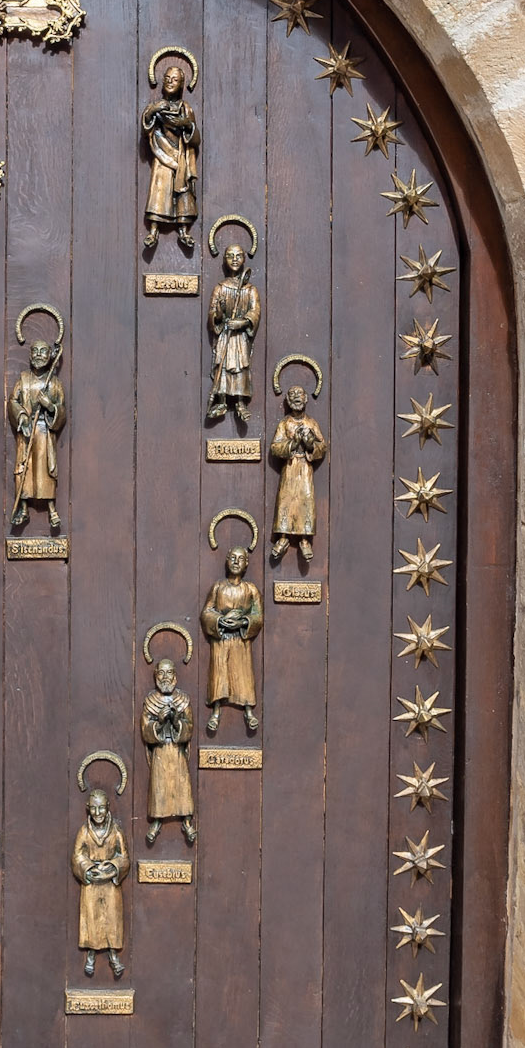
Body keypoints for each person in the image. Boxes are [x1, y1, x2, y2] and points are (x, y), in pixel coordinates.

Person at [201, 546, 263, 734]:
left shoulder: (250, 589)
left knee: (243, 675)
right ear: (227, 560)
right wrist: (220, 620)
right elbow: (206, 612)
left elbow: (258, 616)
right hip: (221, 640)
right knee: (220, 675)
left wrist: (243, 621)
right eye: (232, 558)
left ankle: (248, 710)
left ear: (246, 564)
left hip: (240, 641)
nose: (236, 562)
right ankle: (216, 711)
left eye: (240, 559)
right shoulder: (218, 587)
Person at [8, 340, 66, 534]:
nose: (39, 355)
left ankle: (51, 509)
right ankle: (23, 508)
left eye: (43, 351)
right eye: (36, 351)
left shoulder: (54, 383)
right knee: (24, 467)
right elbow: (13, 401)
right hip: (26, 431)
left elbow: (62, 409)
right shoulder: (23, 379)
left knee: (44, 470)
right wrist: (22, 416)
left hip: (44, 430)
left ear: (50, 356)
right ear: (30, 355)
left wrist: (49, 406)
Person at [141, 61, 199, 250]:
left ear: (182, 84)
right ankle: (154, 230)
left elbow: (194, 135)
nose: (170, 82)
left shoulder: (185, 107)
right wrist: (152, 111)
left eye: (175, 80)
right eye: (167, 79)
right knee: (160, 191)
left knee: (183, 194)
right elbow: (147, 123)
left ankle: (183, 230)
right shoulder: (157, 106)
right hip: (163, 154)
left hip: (180, 155)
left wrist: (187, 125)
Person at [73, 787, 129, 978]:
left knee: (111, 921)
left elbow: (123, 857)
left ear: (108, 808)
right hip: (91, 883)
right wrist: (88, 869)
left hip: (110, 884)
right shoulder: (84, 832)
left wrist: (113, 867)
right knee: (91, 920)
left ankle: (114, 956)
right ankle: (90, 955)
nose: (98, 813)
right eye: (94, 809)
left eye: (101, 808)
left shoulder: (115, 831)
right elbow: (78, 855)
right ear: (88, 808)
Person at [141, 658, 196, 846]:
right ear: (155, 675)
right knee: (159, 787)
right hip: (161, 751)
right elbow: (145, 729)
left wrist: (175, 721)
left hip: (177, 751)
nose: (165, 677)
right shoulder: (150, 702)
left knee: (182, 786)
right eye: (161, 673)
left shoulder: (183, 700)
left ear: (175, 676)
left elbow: (189, 727)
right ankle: (156, 821)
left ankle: (186, 821)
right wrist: (159, 722)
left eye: (169, 673)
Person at [270, 384, 328, 562]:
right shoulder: (285, 423)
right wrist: (293, 442)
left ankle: (304, 539)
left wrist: (310, 444)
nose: (296, 397)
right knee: (286, 501)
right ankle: (283, 537)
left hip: (304, 467)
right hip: (290, 466)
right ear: (287, 400)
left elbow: (322, 446)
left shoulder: (311, 423)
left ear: (306, 399)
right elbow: (275, 447)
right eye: (292, 394)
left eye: (300, 394)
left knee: (306, 500)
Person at [206, 242, 261, 421]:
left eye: (238, 256)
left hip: (240, 336)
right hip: (225, 335)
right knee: (223, 364)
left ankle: (239, 401)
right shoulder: (220, 287)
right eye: (230, 256)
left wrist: (244, 322)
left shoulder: (250, 289)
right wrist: (220, 312)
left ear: (244, 259)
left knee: (240, 366)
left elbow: (255, 310)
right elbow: (214, 313)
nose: (235, 259)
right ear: (224, 259)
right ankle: (221, 400)